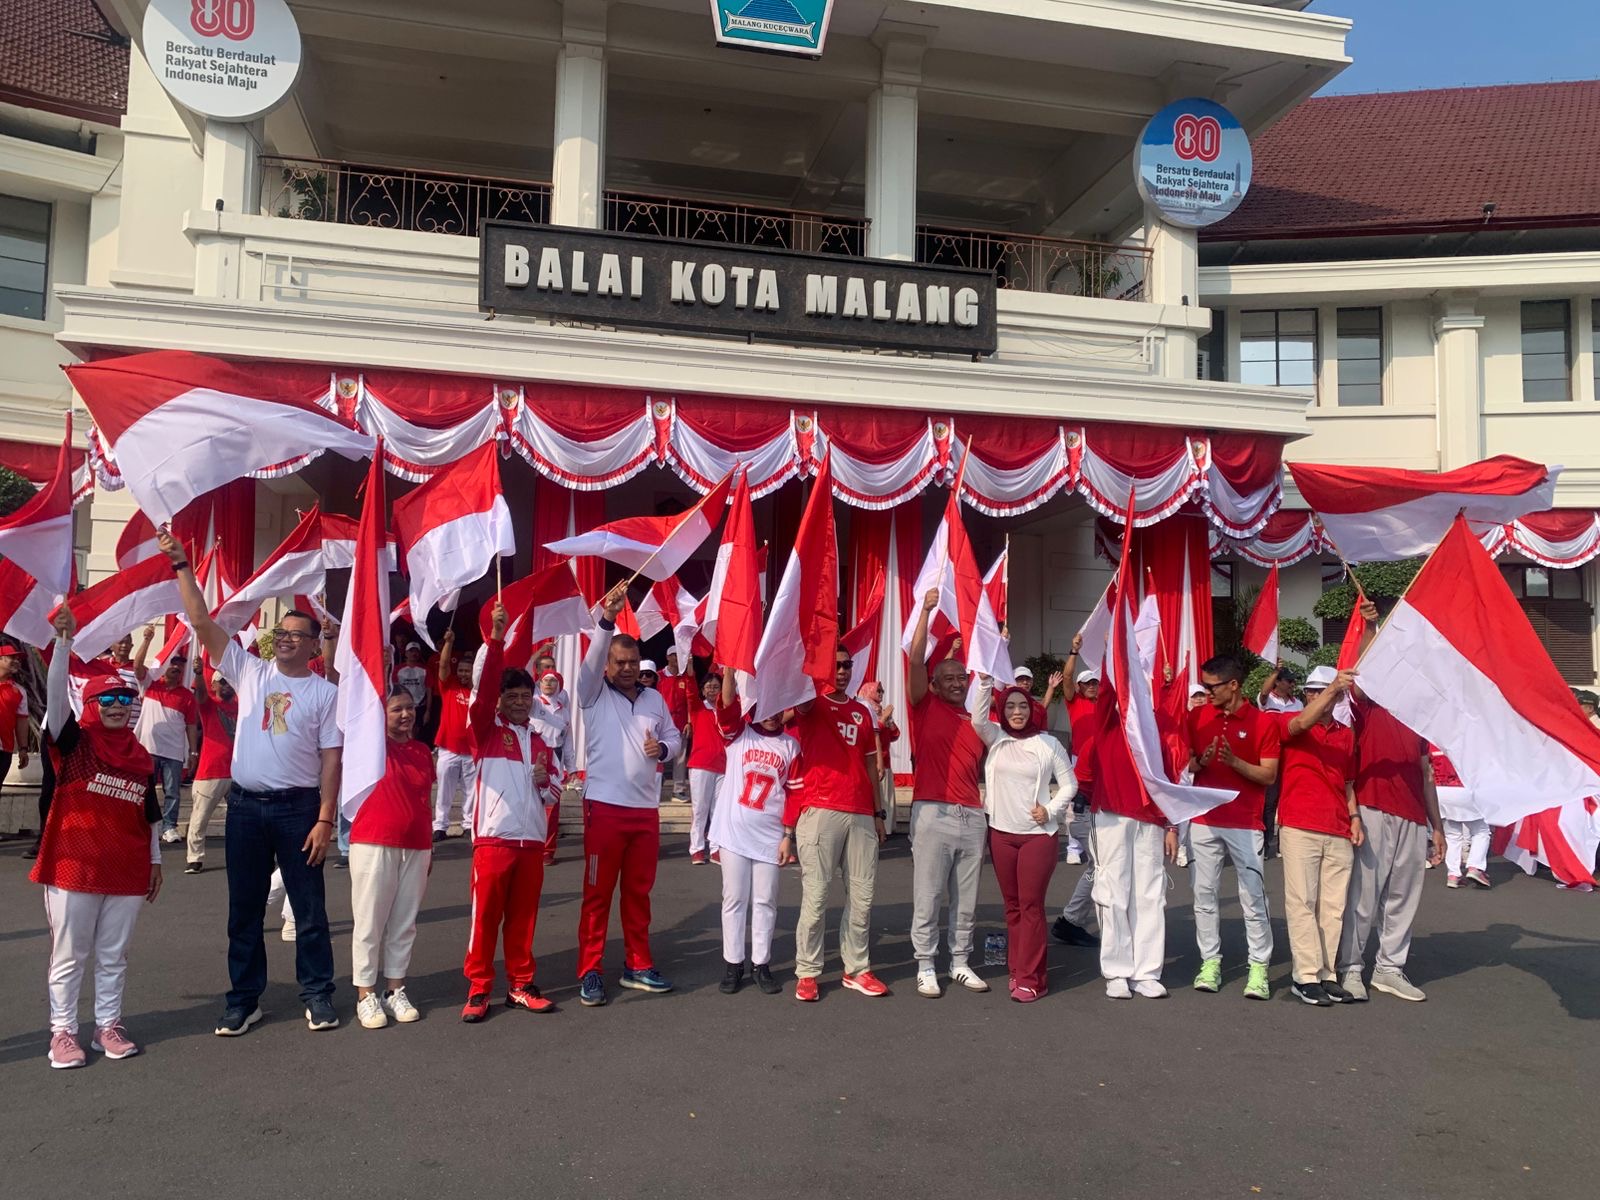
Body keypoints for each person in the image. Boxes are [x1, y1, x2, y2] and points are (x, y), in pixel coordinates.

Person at [164, 530, 344, 1036]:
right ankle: (245, 999)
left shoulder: (324, 693)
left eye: (295, 634)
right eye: (279, 632)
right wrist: (181, 565)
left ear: (312, 645)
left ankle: (317, 994)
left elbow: (332, 759)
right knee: (243, 911)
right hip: (244, 809)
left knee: (308, 909)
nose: (284, 638)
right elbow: (201, 621)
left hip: (298, 811)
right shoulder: (249, 671)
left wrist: (325, 818)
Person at [30, 606, 162, 1068]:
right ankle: (63, 1033)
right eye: (107, 701)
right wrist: (63, 643)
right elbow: (55, 702)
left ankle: (109, 1025)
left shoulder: (141, 757)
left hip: (126, 868)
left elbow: (149, 814)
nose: (117, 707)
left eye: (124, 701)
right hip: (73, 866)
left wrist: (156, 861)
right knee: (70, 955)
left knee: (113, 956)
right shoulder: (73, 743)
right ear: (90, 706)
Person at [575, 585, 682, 1008]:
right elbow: (589, 663)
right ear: (607, 663)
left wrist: (667, 750)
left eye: (632, 662)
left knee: (639, 892)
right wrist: (606, 619)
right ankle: (590, 970)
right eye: (618, 661)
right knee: (598, 894)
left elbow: (674, 737)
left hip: (644, 811)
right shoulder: (593, 692)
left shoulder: (655, 698)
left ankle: (638, 964)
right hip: (604, 808)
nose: (626, 668)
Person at [1338, 601, 1447, 1003]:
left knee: (1403, 897)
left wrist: (1437, 826)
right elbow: (1362, 675)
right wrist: (1369, 629)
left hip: (1414, 815)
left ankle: (1389, 968)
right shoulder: (1370, 704)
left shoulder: (1419, 715)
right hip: (1373, 806)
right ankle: (1350, 967)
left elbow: (1427, 773)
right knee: (1364, 895)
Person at [461, 603, 564, 1021]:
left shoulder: (541, 739)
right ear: (501, 700)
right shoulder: (484, 730)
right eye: (513, 696)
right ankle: (479, 988)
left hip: (531, 844)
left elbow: (555, 794)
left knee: (522, 920)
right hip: (494, 841)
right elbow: (483, 693)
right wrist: (496, 640)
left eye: (526, 696)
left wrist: (543, 781)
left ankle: (520, 985)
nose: (520, 702)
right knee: (485, 919)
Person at [783, 646, 888, 1002]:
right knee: (816, 896)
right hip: (820, 809)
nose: (841, 671)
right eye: (835, 665)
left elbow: (872, 768)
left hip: (860, 812)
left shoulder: (861, 711)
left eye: (846, 665)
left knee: (862, 896)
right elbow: (799, 696)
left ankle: (856, 969)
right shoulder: (811, 702)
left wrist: (878, 813)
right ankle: (808, 971)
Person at [971, 674, 1077, 1003]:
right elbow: (977, 717)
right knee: (1012, 907)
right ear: (1002, 712)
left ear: (1033, 710)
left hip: (1036, 837)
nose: (1017, 712)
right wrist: (985, 682)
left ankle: (1030, 978)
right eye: (1011, 707)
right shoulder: (996, 737)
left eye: (1023, 707)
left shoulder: (1048, 744)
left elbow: (1070, 784)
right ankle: (1021, 970)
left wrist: (1050, 809)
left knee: (1031, 907)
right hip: (1001, 834)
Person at [905, 588, 990, 998]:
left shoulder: (977, 721)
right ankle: (925, 964)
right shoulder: (924, 705)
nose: (957, 684)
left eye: (962, 678)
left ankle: (959, 961)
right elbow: (916, 659)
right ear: (935, 686)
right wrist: (924, 612)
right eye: (949, 679)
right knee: (930, 894)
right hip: (932, 813)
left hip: (972, 815)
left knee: (967, 898)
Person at [1185, 655, 1281, 1001]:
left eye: (1212, 687)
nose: (1206, 692)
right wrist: (1203, 761)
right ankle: (1210, 961)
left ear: (1234, 685)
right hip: (1204, 820)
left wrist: (1234, 762)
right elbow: (1189, 762)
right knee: (1203, 895)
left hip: (1245, 821)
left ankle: (1258, 967)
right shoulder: (1197, 716)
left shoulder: (1262, 723)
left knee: (1252, 897)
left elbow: (1269, 775)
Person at [1275, 666, 1363, 1007]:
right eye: (1310, 691)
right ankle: (1305, 976)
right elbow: (1300, 723)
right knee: (1302, 903)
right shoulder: (1291, 724)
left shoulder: (1346, 734)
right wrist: (1332, 689)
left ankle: (1327, 974)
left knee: (1333, 908)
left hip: (1338, 826)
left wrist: (1354, 817)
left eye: (1320, 690)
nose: (1313, 695)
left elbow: (1347, 782)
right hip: (1300, 824)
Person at [349, 688, 436, 1029]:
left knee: (404, 923)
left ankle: (394, 989)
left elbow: (425, 800)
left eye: (410, 708)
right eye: (396, 709)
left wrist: (431, 846)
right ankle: (365, 993)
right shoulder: (369, 748)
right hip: (374, 842)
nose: (405, 714)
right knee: (370, 922)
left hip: (415, 845)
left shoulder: (421, 750)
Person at [712, 669, 800, 995]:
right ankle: (733, 964)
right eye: (768, 707)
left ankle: (761, 963)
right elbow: (726, 707)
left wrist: (788, 835)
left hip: (770, 836)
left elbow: (795, 793)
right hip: (734, 832)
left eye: (779, 708)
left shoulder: (791, 746)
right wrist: (730, 674)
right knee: (734, 899)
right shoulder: (739, 734)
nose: (774, 715)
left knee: (766, 900)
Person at [1050, 634, 1101, 948]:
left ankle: (1073, 920)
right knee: (1100, 864)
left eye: (1096, 682)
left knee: (1102, 863)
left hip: (1102, 791)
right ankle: (1070, 921)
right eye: (1089, 683)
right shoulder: (1076, 701)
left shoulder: (1105, 707)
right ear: (1081, 689)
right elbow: (1067, 677)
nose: (1093, 686)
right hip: (1082, 789)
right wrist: (1074, 651)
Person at [132, 651, 199, 845]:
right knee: (145, 789)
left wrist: (193, 752)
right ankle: (143, 824)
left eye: (180, 666)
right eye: (173, 664)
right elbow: (137, 666)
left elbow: (191, 725)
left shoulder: (187, 696)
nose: (177, 668)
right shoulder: (150, 685)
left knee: (172, 792)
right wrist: (146, 640)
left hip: (174, 752)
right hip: (148, 749)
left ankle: (169, 827)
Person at [185, 665, 237, 874]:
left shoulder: (241, 706)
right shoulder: (210, 705)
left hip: (237, 772)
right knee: (200, 818)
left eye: (229, 682)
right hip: (210, 772)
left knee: (241, 821)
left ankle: (242, 856)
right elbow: (199, 694)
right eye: (222, 682)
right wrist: (198, 675)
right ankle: (194, 858)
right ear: (214, 685)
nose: (226, 686)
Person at [432, 629, 475, 841]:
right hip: (448, 747)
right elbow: (443, 665)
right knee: (444, 790)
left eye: (468, 671)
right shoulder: (449, 685)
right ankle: (440, 825)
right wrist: (449, 642)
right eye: (462, 670)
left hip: (471, 750)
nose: (464, 674)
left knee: (471, 791)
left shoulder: (479, 692)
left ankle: (469, 825)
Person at [1431, 745, 1490, 889]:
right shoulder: (1465, 740)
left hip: (1439, 790)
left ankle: (1453, 874)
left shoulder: (1432, 739)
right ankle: (1475, 866)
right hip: (1463, 789)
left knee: (1452, 834)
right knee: (1481, 829)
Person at [685, 671, 728, 865]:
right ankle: (697, 849)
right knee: (700, 809)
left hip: (723, 765)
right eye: (708, 686)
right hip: (701, 764)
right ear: (703, 689)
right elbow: (690, 692)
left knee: (718, 811)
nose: (712, 690)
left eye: (716, 687)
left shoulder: (726, 710)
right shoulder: (697, 708)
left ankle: (716, 848)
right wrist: (691, 671)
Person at [531, 669, 571, 863]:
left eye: (553, 681)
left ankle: (547, 850)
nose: (548, 684)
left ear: (559, 685)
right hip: (535, 756)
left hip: (556, 757)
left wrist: (571, 767)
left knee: (552, 806)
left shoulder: (563, 709)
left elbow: (567, 739)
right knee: (531, 800)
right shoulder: (534, 703)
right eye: (545, 680)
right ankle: (532, 845)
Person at [661, 650, 695, 801]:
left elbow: (690, 700)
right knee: (658, 755)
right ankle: (655, 785)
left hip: (680, 723)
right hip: (661, 724)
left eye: (678, 654)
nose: (676, 657)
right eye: (673, 654)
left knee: (680, 758)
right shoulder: (658, 676)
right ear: (667, 657)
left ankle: (678, 790)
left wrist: (689, 721)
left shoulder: (685, 677)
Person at [0, 643, 32, 786]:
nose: (16, 661)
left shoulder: (19, 691)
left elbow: (22, 721)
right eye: (11, 657)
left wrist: (23, 749)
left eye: (18, 658)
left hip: (3, 750)